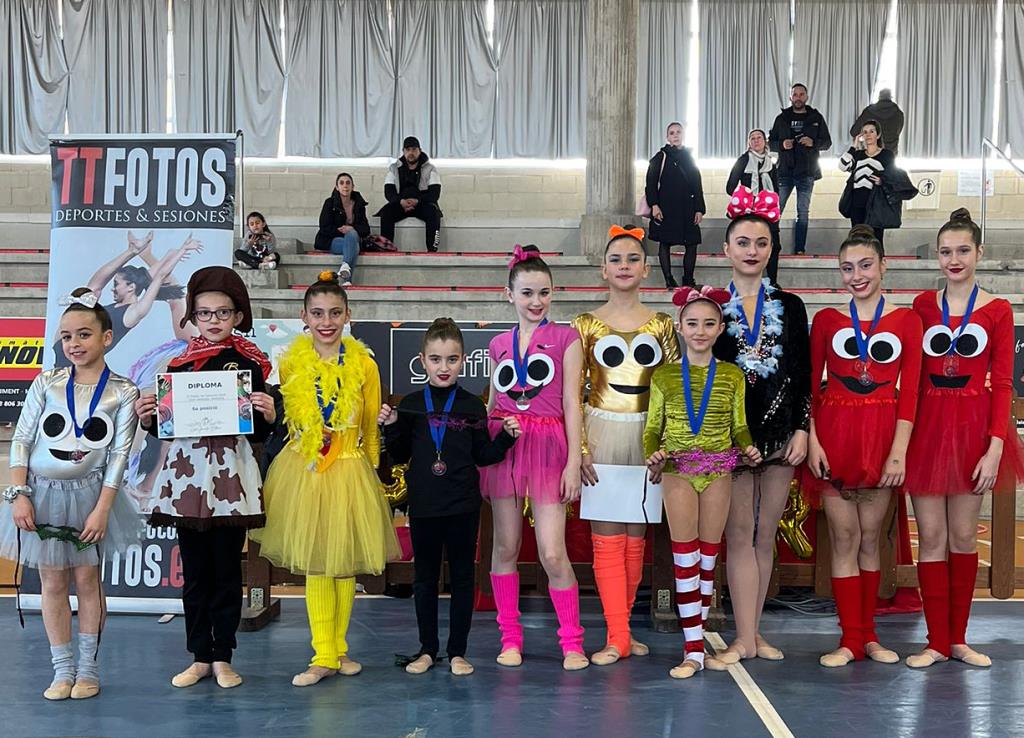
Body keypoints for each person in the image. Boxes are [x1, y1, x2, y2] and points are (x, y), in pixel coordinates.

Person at [252, 272, 400, 686]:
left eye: (335, 312)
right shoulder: (290, 363)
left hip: (350, 468)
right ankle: (322, 654)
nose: (326, 321)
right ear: (304, 317)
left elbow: (370, 425)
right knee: (319, 561)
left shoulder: (365, 365)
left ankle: (339, 649)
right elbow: (284, 418)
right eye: (317, 313)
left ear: (348, 315)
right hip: (305, 469)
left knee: (344, 564)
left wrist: (368, 473)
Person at [134, 266, 276, 689]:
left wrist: (270, 413)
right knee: (195, 571)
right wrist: (148, 418)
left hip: (231, 478)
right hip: (185, 479)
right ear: (192, 317)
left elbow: (261, 429)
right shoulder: (176, 365)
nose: (214, 320)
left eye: (223, 312)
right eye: (205, 313)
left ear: (237, 316)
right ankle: (199, 654)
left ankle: (224, 655)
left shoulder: (252, 365)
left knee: (228, 570)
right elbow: (166, 427)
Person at [0, 289, 140, 701]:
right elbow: (22, 440)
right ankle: (62, 670)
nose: (74, 345)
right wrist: (18, 493)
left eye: (84, 335)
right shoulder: (46, 383)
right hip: (41, 493)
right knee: (51, 582)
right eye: (66, 337)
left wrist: (102, 510)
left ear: (106, 338)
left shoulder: (123, 391)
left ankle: (88, 670)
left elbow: (118, 455)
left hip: (91, 495)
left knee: (87, 580)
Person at [903, 209, 1024, 669]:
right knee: (930, 537)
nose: (954, 260)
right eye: (946, 252)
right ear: (937, 256)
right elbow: (911, 377)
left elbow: (1004, 384)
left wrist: (995, 447)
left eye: (963, 251)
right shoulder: (921, 307)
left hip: (974, 431)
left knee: (961, 537)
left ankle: (958, 638)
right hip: (929, 430)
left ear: (979, 253)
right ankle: (935, 640)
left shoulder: (996, 310)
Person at [803, 226, 923, 668]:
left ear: (883, 265)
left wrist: (898, 451)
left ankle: (869, 635)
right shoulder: (828, 321)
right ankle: (849, 638)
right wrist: (814, 440)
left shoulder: (908, 321)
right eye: (847, 268)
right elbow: (810, 391)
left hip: (881, 440)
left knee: (872, 538)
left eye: (865, 266)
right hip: (835, 441)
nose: (857, 276)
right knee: (844, 537)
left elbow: (909, 392)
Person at [379, 319, 521, 677]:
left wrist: (506, 437)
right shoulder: (411, 404)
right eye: (436, 359)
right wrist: (391, 425)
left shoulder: (473, 405)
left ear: (464, 360)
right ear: (422, 361)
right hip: (424, 504)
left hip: (462, 505)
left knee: (461, 579)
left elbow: (484, 455)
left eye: (452, 359)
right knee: (425, 579)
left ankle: (458, 651)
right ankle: (427, 649)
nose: (444, 367)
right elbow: (397, 456)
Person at [706, 212, 811, 670]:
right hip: (730, 437)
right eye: (743, 242)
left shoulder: (791, 307)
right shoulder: (711, 309)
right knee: (738, 535)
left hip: (781, 435)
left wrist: (803, 428)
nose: (752, 250)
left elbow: (805, 373)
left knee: (765, 534)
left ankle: (753, 632)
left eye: (761, 242)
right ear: (726, 250)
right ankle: (742, 637)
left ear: (771, 250)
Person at [573, 225, 679, 666]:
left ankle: (624, 629)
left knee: (637, 534)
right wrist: (580, 446)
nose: (624, 266)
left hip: (648, 437)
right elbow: (575, 392)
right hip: (601, 433)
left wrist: (668, 442)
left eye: (633, 259)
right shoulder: (584, 325)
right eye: (616, 259)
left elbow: (675, 387)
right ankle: (616, 634)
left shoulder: (662, 325)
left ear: (646, 269)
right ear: (603, 268)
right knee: (607, 535)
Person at [479, 245, 589, 671]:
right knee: (505, 546)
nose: (536, 301)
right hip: (505, 447)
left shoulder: (567, 339)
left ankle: (572, 641)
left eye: (543, 292)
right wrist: (482, 452)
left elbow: (572, 404)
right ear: (509, 294)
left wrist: (574, 461)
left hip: (548, 447)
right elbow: (492, 403)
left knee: (552, 552)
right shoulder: (496, 343)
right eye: (526, 293)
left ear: (552, 292)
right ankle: (510, 637)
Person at [644, 285, 762, 679]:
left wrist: (749, 448)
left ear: (720, 328)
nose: (700, 330)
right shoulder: (662, 375)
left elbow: (740, 425)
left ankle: (698, 642)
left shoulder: (731, 375)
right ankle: (692, 650)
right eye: (692, 323)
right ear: (680, 326)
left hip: (719, 469)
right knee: (685, 557)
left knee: (708, 560)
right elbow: (652, 428)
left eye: (708, 323)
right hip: (677, 469)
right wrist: (654, 453)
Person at [53, 231, 201, 366]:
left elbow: (160, 276)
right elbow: (97, 285)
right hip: (65, 350)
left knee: (92, 291)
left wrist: (182, 251)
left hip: (73, 362)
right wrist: (132, 251)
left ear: (131, 287)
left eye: (117, 284)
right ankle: (135, 251)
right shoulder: (116, 302)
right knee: (91, 291)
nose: (112, 288)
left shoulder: (134, 312)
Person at [769, 83, 833, 254]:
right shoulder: (781, 118)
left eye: (801, 94)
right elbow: (770, 143)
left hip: (806, 172)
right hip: (784, 172)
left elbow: (827, 142)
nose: (798, 97)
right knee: (775, 211)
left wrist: (814, 143)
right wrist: (782, 144)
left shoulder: (816, 117)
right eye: (795, 94)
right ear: (790, 97)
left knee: (802, 213)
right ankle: (770, 246)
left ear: (806, 97)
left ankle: (800, 250)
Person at [645, 122, 706, 289]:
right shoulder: (660, 157)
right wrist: (654, 205)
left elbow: (697, 184)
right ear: (667, 137)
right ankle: (668, 278)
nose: (675, 135)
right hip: (666, 207)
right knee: (665, 242)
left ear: (683, 135)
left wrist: (700, 208)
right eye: (672, 133)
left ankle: (688, 279)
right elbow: (650, 183)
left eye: (678, 132)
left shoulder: (689, 157)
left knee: (692, 243)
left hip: (687, 207)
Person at [726, 129, 783, 285]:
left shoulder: (771, 163)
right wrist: (746, 198)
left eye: (759, 138)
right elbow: (730, 186)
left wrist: (769, 201)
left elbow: (776, 189)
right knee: (748, 244)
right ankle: (746, 278)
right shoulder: (743, 160)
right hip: (749, 210)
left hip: (767, 209)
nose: (756, 141)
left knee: (774, 244)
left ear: (765, 142)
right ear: (748, 143)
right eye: (752, 138)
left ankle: (772, 281)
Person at [376, 136, 442, 253]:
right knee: (386, 212)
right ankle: (386, 250)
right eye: (408, 150)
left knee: (434, 213)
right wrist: (400, 201)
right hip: (401, 203)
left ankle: (433, 250)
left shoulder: (430, 169)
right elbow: (388, 192)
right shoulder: (394, 168)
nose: (411, 153)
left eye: (414, 149)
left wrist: (417, 201)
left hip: (422, 204)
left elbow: (434, 194)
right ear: (403, 151)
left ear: (419, 151)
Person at [838, 121, 896, 245]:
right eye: (865, 132)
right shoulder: (858, 155)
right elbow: (842, 166)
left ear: (878, 135)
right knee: (857, 237)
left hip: (876, 202)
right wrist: (854, 146)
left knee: (876, 238)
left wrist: (882, 181)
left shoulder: (887, 155)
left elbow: (893, 176)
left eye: (872, 131)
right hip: (857, 201)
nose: (868, 135)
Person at [314, 173, 371, 286]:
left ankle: (345, 266)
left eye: (348, 183)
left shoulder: (359, 204)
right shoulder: (329, 203)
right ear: (337, 187)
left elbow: (366, 229)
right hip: (333, 240)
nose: (345, 186)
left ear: (353, 187)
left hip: (353, 239)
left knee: (352, 234)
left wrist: (351, 228)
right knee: (353, 245)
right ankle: (347, 280)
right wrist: (341, 230)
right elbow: (324, 227)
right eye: (342, 183)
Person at [850, 89, 905, 157]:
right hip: (891, 153)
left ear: (879, 97)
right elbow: (898, 131)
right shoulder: (899, 113)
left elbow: (853, 132)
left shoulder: (868, 111)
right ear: (891, 97)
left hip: (871, 153)